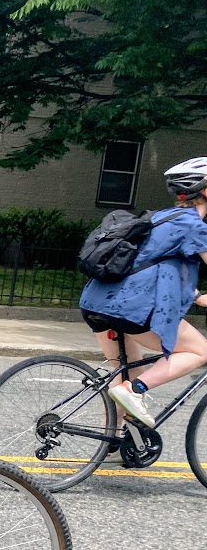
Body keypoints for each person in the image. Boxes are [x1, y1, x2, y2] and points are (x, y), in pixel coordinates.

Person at [80, 157, 207, 428]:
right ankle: (133, 391)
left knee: (124, 373)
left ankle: (113, 443)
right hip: (129, 308)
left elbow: (152, 266)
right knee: (200, 352)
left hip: (96, 300)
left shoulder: (162, 217)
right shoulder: (195, 226)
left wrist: (195, 296)